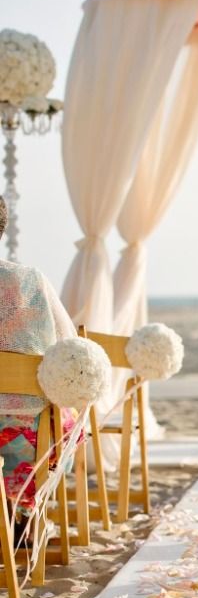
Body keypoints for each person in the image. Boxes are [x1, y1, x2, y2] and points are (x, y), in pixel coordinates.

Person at [0, 196, 77, 511]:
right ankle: (21, 514)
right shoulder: (30, 280)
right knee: (67, 419)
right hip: (30, 441)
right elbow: (68, 347)